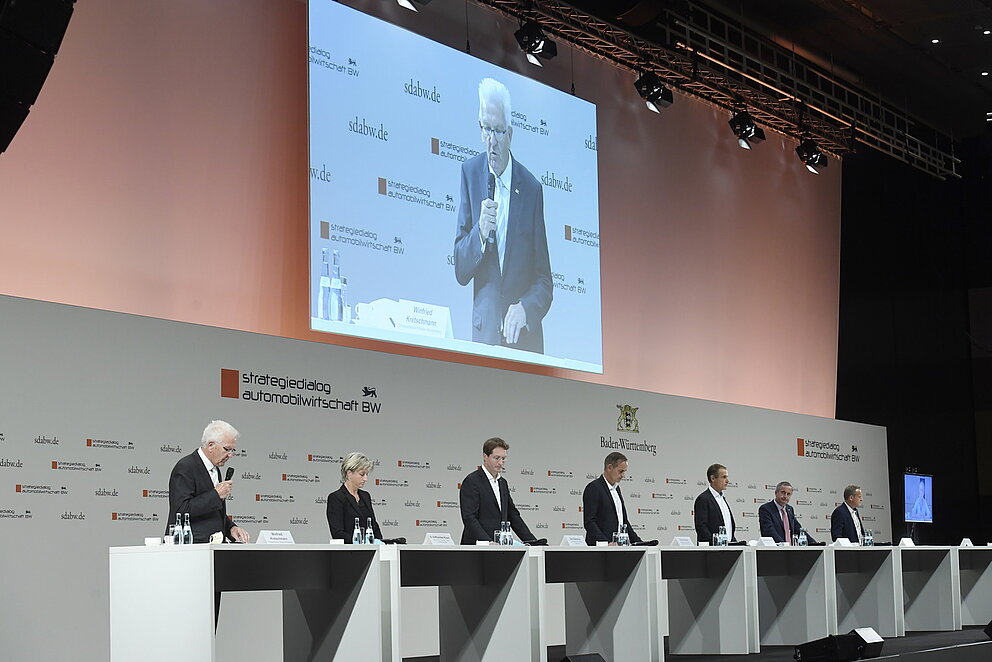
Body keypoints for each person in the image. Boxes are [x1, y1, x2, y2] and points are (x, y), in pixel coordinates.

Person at [454, 77, 552, 354]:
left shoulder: (531, 189)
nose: (491, 141)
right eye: (485, 129)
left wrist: (526, 308)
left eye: (497, 131)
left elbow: (544, 280)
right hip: (484, 340)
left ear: (510, 132)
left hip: (523, 344)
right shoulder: (470, 174)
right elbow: (461, 270)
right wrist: (479, 235)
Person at [166, 420, 250, 543]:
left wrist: (231, 528)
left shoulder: (215, 470)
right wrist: (215, 495)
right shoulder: (186, 467)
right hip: (191, 547)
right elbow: (180, 510)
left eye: (233, 451)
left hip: (212, 549)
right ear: (211, 445)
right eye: (227, 449)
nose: (230, 455)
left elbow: (212, 512)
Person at [459, 437, 535, 544]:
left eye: (503, 458)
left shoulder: (502, 482)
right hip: (477, 547)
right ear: (485, 457)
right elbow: (469, 518)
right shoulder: (472, 481)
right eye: (497, 458)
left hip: (500, 546)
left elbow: (513, 515)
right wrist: (487, 542)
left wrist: (533, 542)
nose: (501, 462)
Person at [583, 452, 642, 546]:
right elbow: (589, 522)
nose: (623, 475)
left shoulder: (617, 489)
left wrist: (639, 542)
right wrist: (606, 543)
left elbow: (624, 521)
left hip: (618, 548)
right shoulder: (594, 488)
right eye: (620, 471)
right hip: (600, 549)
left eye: (624, 472)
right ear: (609, 467)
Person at [326, 452, 383, 543]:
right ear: (349, 473)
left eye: (367, 474)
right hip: (349, 553)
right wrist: (360, 542)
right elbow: (337, 533)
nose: (365, 479)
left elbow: (374, 526)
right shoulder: (336, 498)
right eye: (362, 474)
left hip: (371, 551)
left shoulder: (365, 496)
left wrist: (380, 544)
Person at [693, 463, 736, 543]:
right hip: (712, 551)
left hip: (728, 549)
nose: (727, 481)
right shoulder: (703, 499)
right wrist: (715, 543)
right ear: (712, 478)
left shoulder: (722, 499)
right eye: (724, 477)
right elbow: (701, 527)